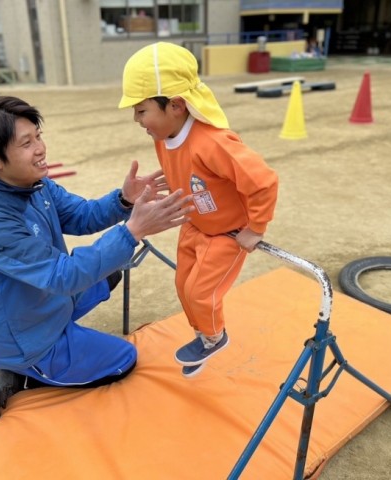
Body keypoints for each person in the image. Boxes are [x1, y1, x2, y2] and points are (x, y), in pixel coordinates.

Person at [0, 95, 194, 421]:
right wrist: (132, 231)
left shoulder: (32, 184)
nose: (40, 148)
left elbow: (82, 215)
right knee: (124, 359)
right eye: (26, 143)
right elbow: (63, 277)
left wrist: (124, 200)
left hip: (42, 302)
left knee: (111, 271)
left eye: (38, 136)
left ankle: (32, 356)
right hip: (30, 336)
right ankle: (20, 371)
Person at [118, 42, 279, 378]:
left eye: (141, 110)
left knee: (200, 292)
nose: (137, 120)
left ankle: (213, 337)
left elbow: (262, 181)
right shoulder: (163, 137)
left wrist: (257, 228)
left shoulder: (214, 143)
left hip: (227, 233)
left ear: (176, 105)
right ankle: (203, 336)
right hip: (194, 225)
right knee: (182, 284)